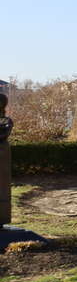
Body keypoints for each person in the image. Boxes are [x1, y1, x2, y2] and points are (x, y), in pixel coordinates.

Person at [0, 94, 12, 226]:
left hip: (2, 152)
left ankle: (2, 217)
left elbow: (4, 134)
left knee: (2, 184)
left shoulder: (6, 120)